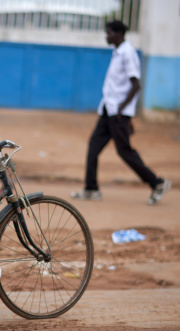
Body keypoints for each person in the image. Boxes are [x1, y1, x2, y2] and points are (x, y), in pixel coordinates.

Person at [71, 21, 171, 205]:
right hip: (108, 110)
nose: (106, 36)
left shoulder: (128, 53)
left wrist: (123, 109)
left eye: (108, 33)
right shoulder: (117, 53)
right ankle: (91, 189)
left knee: (125, 151)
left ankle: (157, 183)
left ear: (119, 34)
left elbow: (135, 85)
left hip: (117, 113)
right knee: (94, 146)